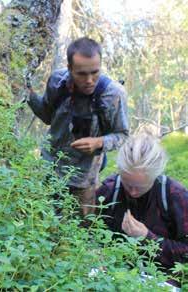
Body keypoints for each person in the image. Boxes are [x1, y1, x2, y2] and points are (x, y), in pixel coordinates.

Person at [27, 37, 129, 216]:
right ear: (69, 69)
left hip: (83, 177)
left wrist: (98, 142)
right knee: (41, 219)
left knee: (81, 228)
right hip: (49, 166)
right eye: (81, 74)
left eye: (95, 72)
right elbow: (47, 116)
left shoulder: (113, 94)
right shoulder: (57, 82)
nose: (89, 80)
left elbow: (122, 134)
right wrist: (27, 94)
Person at [96, 133, 188, 273]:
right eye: (127, 184)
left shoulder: (175, 196)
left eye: (140, 187)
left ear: (155, 176)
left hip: (161, 278)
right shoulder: (108, 191)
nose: (132, 192)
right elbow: (88, 235)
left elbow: (185, 253)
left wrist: (147, 237)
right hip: (113, 274)